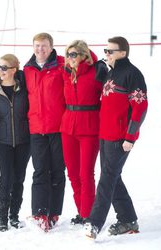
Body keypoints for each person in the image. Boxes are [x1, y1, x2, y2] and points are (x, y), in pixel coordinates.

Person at [84, 36, 148, 239]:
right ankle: (128, 219)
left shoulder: (132, 74)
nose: (106, 54)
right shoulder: (111, 73)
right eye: (105, 51)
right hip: (105, 135)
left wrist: (130, 136)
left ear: (123, 52)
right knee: (113, 176)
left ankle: (94, 224)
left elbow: (140, 107)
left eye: (110, 51)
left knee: (107, 179)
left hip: (121, 138)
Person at [23, 32, 66, 232]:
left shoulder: (62, 65)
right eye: (37, 45)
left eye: (45, 45)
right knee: (40, 171)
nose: (41, 49)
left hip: (59, 128)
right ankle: (40, 213)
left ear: (51, 47)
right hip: (36, 129)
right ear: (33, 47)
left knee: (57, 171)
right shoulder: (27, 69)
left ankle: (54, 212)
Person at [60, 40, 102, 225]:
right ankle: (82, 212)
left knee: (86, 173)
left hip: (90, 127)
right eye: (68, 55)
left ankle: (89, 214)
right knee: (73, 173)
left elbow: (108, 99)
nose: (70, 58)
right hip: (68, 126)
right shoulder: (65, 72)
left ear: (84, 55)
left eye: (74, 54)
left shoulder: (97, 72)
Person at [0, 54, 31, 232]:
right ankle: (2, 218)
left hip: (24, 139)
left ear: (14, 69)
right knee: (6, 178)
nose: (0, 71)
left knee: (19, 178)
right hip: (3, 140)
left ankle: (14, 216)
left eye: (4, 67)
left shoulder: (24, 87)